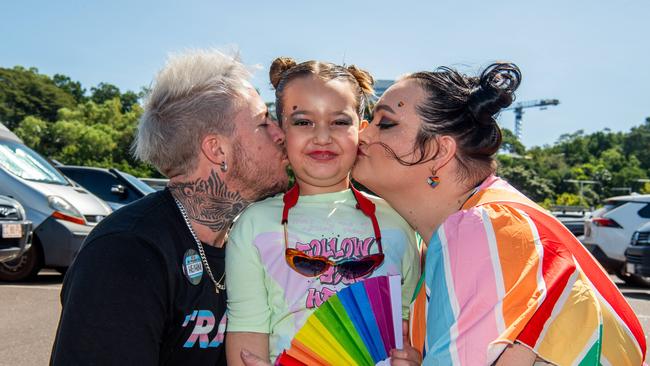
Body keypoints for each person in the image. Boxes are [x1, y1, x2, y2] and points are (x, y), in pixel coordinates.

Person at [352, 62, 647, 365]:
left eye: (384, 123)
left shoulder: (483, 229)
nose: (360, 133)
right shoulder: (481, 225)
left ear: (440, 152)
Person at [50, 49, 289, 366]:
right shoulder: (126, 253)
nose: (281, 134)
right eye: (264, 122)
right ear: (217, 149)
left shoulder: (245, 241)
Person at [225, 57, 421, 365]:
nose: (322, 136)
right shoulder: (254, 225)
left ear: (362, 131)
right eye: (303, 122)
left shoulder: (397, 223)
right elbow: (247, 336)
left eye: (340, 122)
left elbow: (412, 327)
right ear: (281, 131)